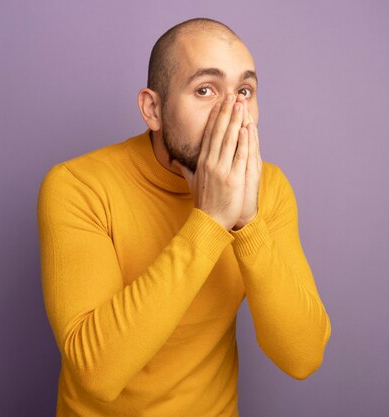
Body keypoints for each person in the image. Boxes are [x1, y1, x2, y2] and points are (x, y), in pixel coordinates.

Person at [37, 17, 331, 417]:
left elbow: (303, 356)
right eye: (206, 90)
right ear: (152, 109)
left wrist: (247, 225)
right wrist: (210, 221)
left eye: (244, 91)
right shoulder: (78, 186)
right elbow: (98, 373)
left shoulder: (269, 189)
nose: (232, 113)